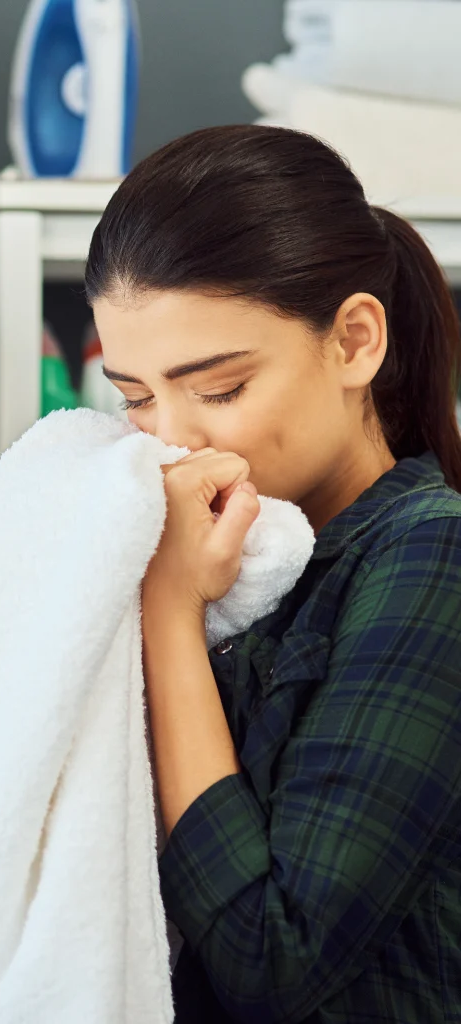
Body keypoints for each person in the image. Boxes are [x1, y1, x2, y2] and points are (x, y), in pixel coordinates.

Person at [86, 124, 461, 1022]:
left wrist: (169, 613)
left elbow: (271, 956)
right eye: (136, 397)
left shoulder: (430, 552)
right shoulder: (242, 555)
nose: (173, 436)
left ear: (354, 343)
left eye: (218, 389)